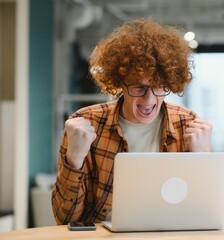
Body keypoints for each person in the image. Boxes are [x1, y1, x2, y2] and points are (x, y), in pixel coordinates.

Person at [51, 18, 213, 225]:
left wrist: (204, 160)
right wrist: (74, 158)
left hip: (168, 233)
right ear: (120, 83)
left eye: (159, 86)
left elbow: (204, 215)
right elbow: (65, 219)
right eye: (139, 88)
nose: (149, 99)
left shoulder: (189, 126)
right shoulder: (86, 124)